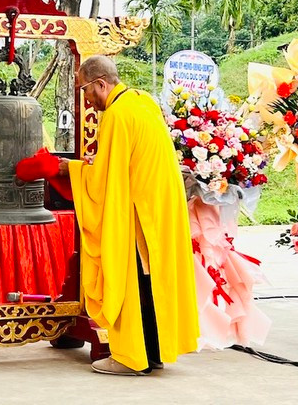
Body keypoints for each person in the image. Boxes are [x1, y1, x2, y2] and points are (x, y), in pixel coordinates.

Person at [57, 55, 199, 375]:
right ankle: (155, 353)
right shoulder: (143, 101)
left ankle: (130, 356)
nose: (88, 102)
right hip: (161, 208)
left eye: (86, 92)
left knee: (134, 281)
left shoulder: (118, 115)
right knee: (153, 283)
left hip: (138, 214)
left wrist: (71, 170)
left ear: (101, 84)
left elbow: (105, 178)